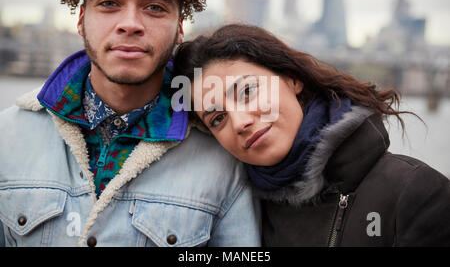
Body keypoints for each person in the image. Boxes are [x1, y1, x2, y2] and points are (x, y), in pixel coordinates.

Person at [0, 0, 260, 247]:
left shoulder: (223, 157)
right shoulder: (7, 135)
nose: (130, 23)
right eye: (109, 3)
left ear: (179, 28)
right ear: (82, 18)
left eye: (155, 7)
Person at [173, 24, 450, 246]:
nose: (240, 122)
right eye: (218, 118)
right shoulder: (240, 214)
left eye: (247, 92)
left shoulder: (415, 192)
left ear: (292, 79)